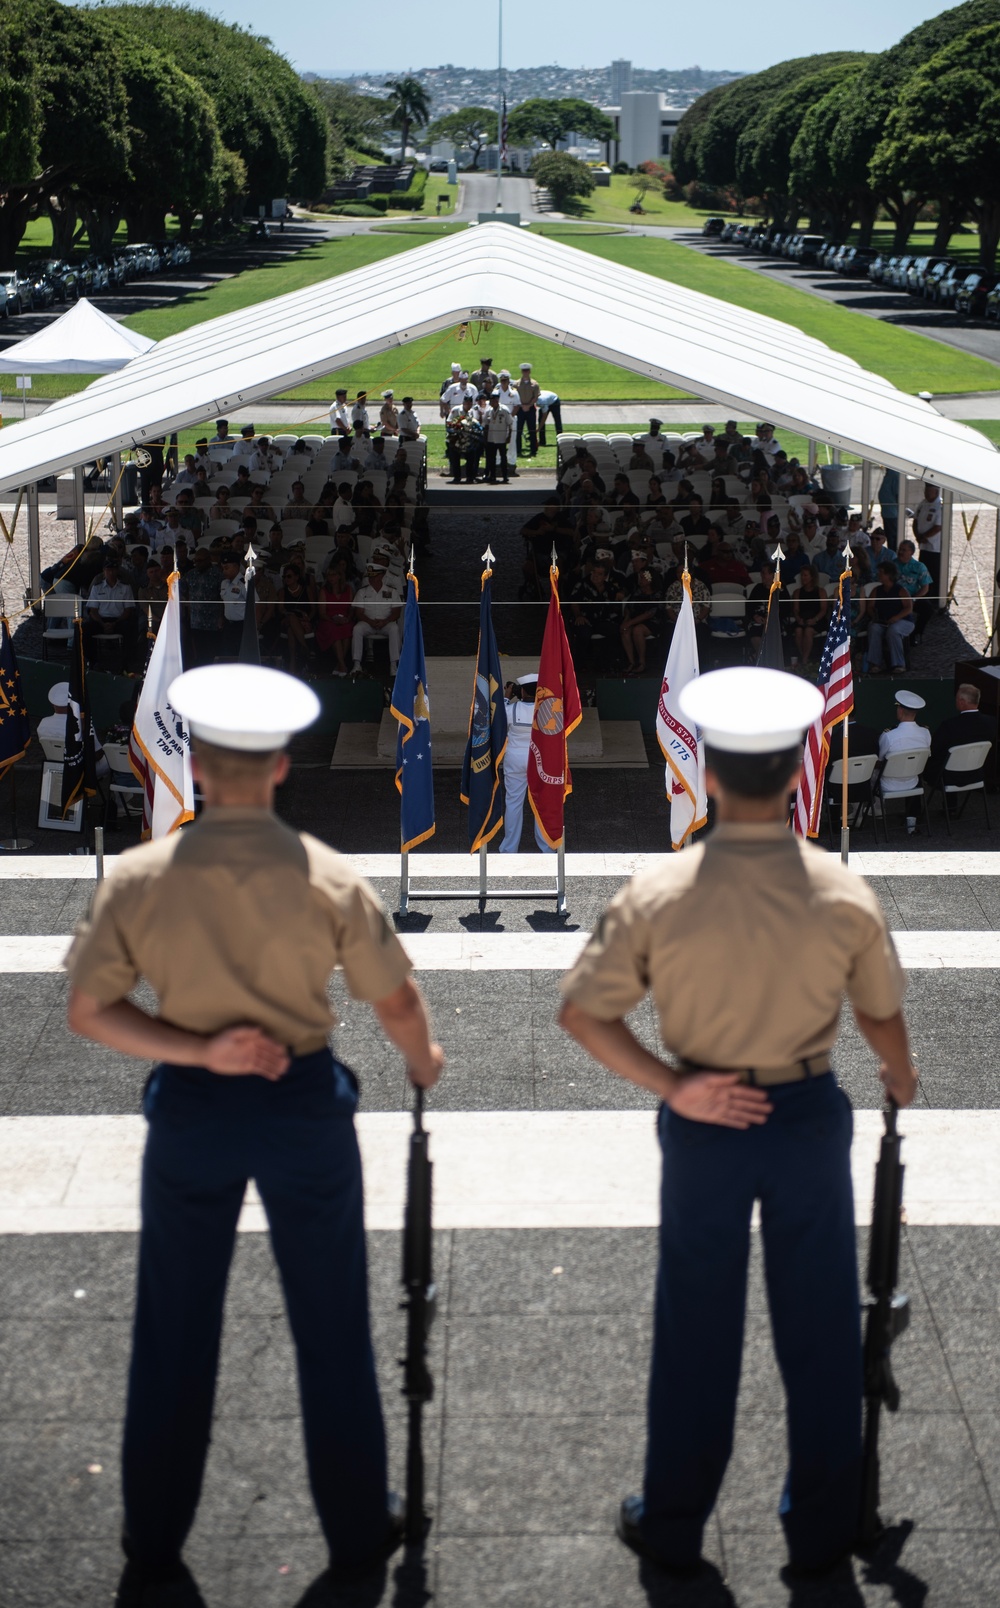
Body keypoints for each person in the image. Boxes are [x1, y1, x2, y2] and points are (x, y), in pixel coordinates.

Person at [65, 662, 444, 1607]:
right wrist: (423, 1056)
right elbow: (393, 998)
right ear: (279, 765)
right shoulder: (325, 875)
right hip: (302, 1106)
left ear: (196, 764)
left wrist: (199, 1054)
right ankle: (358, 1531)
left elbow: (91, 1012)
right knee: (331, 1326)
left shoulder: (141, 877)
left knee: (173, 1331)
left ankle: (154, 1541)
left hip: (193, 1111)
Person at [558, 664, 916, 1582]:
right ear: (801, 771)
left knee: (696, 1332)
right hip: (803, 1116)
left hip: (708, 1116)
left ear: (708, 776)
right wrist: (899, 1069)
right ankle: (823, 1527)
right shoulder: (843, 891)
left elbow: (584, 1014)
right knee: (824, 1330)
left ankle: (673, 1521)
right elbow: (878, 1010)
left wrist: (671, 1088)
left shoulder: (657, 891)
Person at [499, 673, 554, 853]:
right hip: (539, 758)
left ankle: (509, 848)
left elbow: (496, 718)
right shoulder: (547, 710)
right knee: (542, 803)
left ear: (521, 691)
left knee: (513, 802)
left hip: (515, 758)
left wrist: (506, 697)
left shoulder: (511, 709)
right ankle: (546, 847)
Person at [878, 689, 931, 831]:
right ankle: (911, 824)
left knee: (870, 773)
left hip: (887, 785)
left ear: (900, 710)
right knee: (914, 770)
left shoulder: (889, 735)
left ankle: (875, 814)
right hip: (913, 783)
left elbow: (880, 758)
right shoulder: (925, 733)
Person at [927, 683, 995, 788]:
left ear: (962, 702)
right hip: (976, 773)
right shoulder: (991, 722)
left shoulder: (949, 725)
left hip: (948, 776)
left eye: (957, 698)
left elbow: (934, 749)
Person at [83, 558, 138, 664]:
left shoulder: (125, 587)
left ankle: (126, 663)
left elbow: (128, 610)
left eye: (113, 570)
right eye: (108, 570)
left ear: (117, 571)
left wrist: (115, 623)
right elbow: (93, 610)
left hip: (119, 620)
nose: (111, 573)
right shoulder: (97, 587)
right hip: (101, 620)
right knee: (84, 629)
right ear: (104, 571)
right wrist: (102, 624)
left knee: (130, 629)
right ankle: (91, 660)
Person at [351, 561, 401, 675]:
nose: (371, 579)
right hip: (368, 622)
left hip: (386, 623)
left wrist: (385, 621)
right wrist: (370, 621)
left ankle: (394, 665)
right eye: (370, 576)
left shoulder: (392, 591)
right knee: (357, 629)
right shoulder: (362, 592)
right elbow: (359, 613)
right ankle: (356, 664)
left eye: (374, 576)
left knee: (394, 628)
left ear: (381, 575)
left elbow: (396, 612)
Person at [867, 560, 914, 674]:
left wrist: (897, 617)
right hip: (883, 621)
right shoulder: (876, 590)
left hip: (903, 621)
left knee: (893, 631)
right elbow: (870, 606)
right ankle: (875, 663)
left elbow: (908, 608)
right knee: (874, 629)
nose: (879, 574)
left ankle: (899, 664)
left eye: (881, 572)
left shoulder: (901, 590)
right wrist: (874, 616)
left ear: (889, 575)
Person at [791, 565, 829, 667]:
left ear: (812, 577)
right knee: (798, 631)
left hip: (817, 619)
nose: (803, 578)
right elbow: (796, 609)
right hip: (802, 619)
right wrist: (798, 619)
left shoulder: (820, 591)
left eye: (805, 575)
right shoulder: (797, 592)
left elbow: (823, 609)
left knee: (808, 631)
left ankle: (804, 660)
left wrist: (815, 619)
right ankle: (803, 655)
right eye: (802, 575)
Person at [912, 482, 943, 598]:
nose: (926, 494)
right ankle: (924, 594)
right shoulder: (923, 503)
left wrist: (924, 537)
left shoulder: (940, 505)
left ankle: (934, 596)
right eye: (925, 492)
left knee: (934, 573)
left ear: (936, 492)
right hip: (923, 546)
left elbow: (938, 527)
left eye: (929, 492)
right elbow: (915, 520)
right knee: (923, 571)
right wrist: (918, 536)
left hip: (935, 547)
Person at [484, 395, 513, 484]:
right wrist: (485, 438)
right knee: (491, 458)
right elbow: (485, 425)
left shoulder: (504, 410)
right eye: (491, 401)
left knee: (503, 458)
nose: (492, 403)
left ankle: (505, 476)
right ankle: (492, 476)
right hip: (491, 438)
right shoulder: (488, 411)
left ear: (497, 401)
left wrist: (509, 436)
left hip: (501, 438)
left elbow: (510, 424)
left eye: (494, 401)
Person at [514, 362, 540, 458]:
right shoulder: (516, 384)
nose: (525, 372)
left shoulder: (534, 384)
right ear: (522, 372)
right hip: (520, 409)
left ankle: (533, 450)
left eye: (527, 371)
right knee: (518, 430)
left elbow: (536, 397)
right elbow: (515, 397)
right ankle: (518, 449)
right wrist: (522, 405)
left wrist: (528, 405)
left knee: (532, 430)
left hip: (530, 409)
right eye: (524, 371)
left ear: (529, 371)